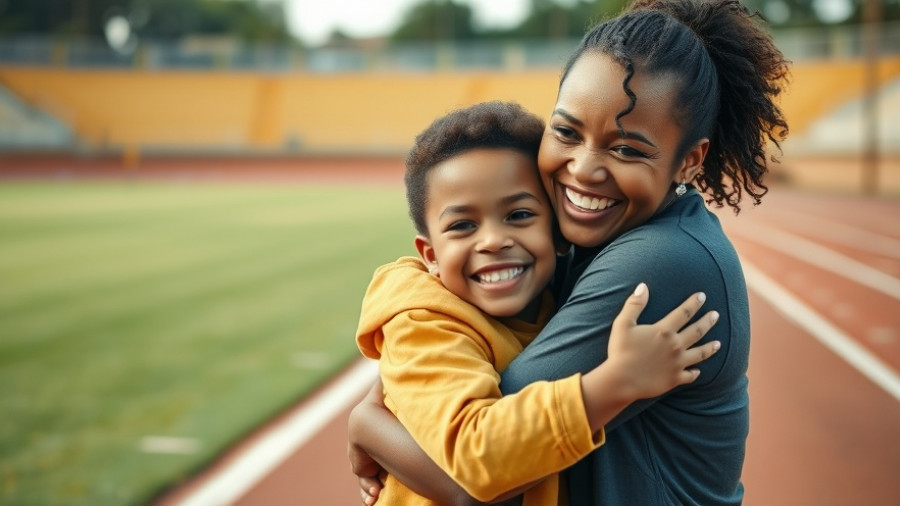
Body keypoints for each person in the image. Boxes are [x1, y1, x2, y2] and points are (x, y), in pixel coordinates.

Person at [349, 0, 790, 502]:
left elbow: (477, 475)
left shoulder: (662, 264)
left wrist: (369, 425)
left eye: (626, 149)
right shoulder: (589, 234)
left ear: (690, 161)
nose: (583, 170)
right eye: (566, 132)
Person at [351, 100, 721, 505]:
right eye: (462, 225)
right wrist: (618, 382)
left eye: (519, 215)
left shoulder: (552, 300)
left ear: (558, 232)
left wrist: (367, 420)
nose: (492, 240)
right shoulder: (424, 325)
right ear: (432, 256)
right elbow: (478, 460)